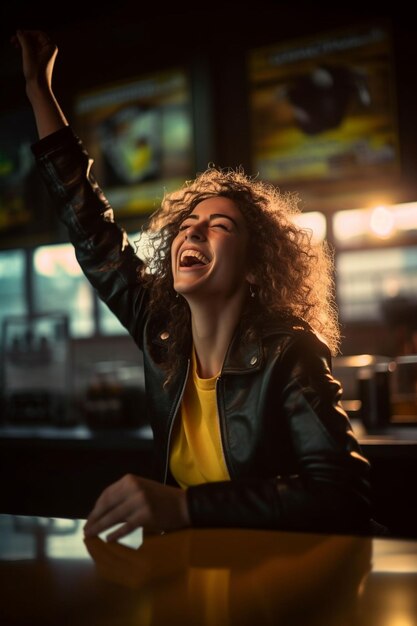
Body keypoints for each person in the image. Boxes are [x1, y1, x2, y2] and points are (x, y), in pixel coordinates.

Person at [13, 29, 373, 541]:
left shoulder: (288, 355)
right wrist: (38, 92)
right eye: (187, 224)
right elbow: (90, 228)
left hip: (279, 585)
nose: (192, 229)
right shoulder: (160, 330)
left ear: (255, 266)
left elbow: (341, 497)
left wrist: (187, 507)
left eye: (219, 225)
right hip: (195, 572)